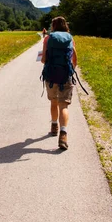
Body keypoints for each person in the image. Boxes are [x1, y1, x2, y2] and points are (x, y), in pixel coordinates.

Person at [41, 16, 77, 150]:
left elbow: (44, 59)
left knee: (54, 102)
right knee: (64, 106)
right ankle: (63, 134)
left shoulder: (48, 39)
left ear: (53, 26)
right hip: (65, 76)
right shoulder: (70, 38)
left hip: (51, 76)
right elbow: (74, 58)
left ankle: (54, 126)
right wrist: (71, 71)